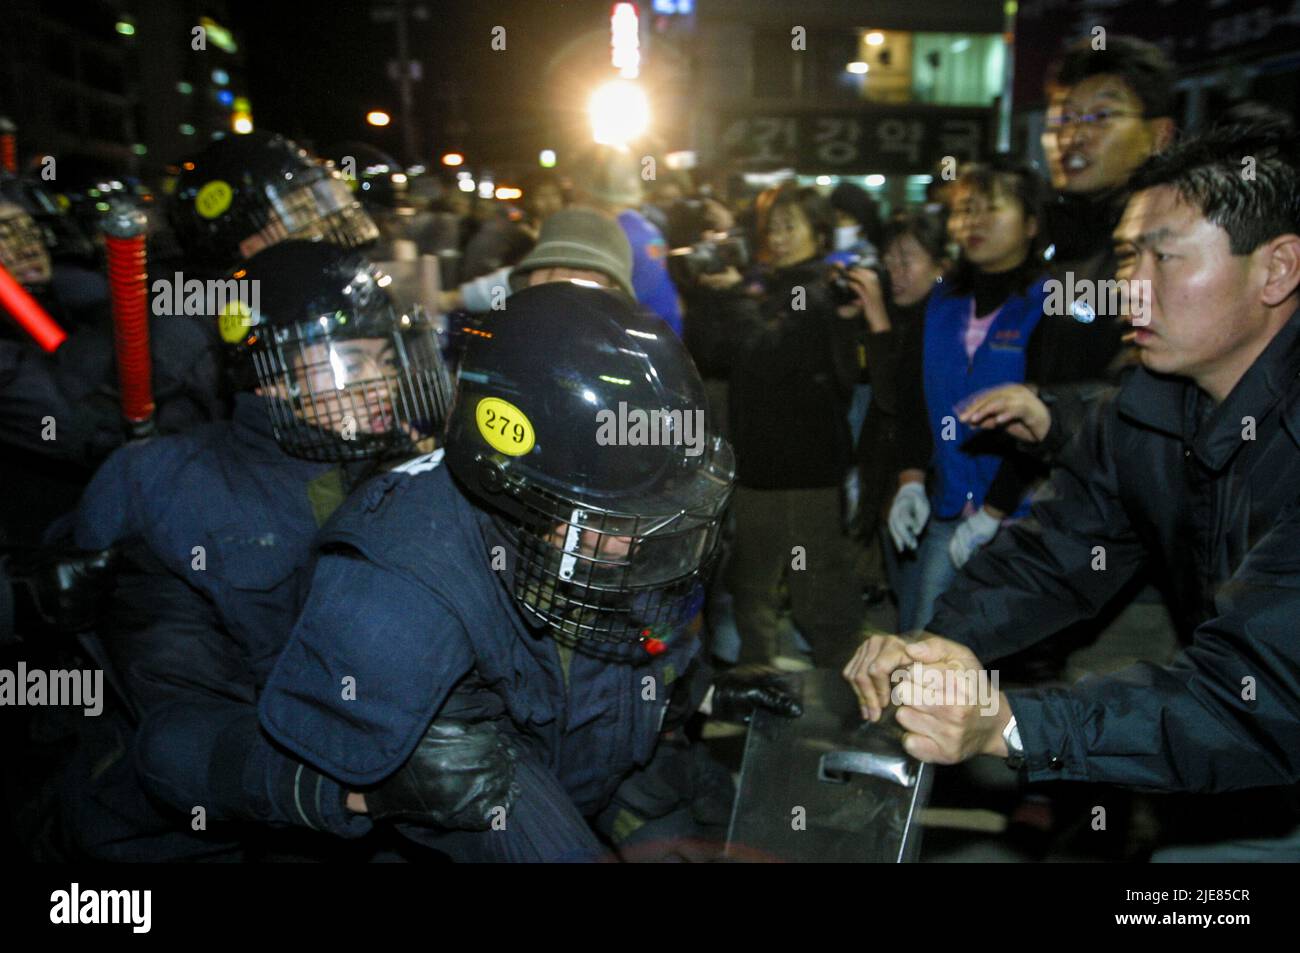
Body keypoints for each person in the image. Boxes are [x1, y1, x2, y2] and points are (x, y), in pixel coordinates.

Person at [844, 122, 1300, 856]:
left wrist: (1010, 725)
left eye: (1165, 257)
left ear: (1276, 270)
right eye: (1126, 255)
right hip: (1238, 758)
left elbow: (1262, 692)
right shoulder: (1147, 407)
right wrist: (933, 642)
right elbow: (1057, 552)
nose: (1129, 285)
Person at [258, 282, 797, 861]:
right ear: (513, 482)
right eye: (615, 519)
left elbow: (612, 700)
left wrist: (703, 694)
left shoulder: (573, 531)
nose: (629, 548)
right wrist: (366, 792)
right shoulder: (404, 589)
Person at [58, 242, 454, 860]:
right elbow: (179, 723)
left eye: (386, 359)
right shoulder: (168, 486)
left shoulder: (406, 472)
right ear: (269, 374)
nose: (380, 383)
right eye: (351, 358)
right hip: (202, 837)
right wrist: (351, 788)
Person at [697, 186, 864, 667]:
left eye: (791, 225)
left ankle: (854, 697)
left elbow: (766, 355)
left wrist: (731, 294)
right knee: (751, 590)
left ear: (819, 231)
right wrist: (712, 294)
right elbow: (714, 354)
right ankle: (757, 693)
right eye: (773, 226)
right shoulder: (771, 285)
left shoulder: (816, 291)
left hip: (803, 474)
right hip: (760, 470)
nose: (779, 236)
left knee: (819, 595)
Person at [888, 158, 1052, 633]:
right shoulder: (939, 301)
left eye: (990, 209)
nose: (972, 223)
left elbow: (1050, 417)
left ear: (1032, 223)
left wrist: (994, 513)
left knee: (1008, 655)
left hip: (1022, 518)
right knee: (922, 640)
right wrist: (911, 480)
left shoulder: (1049, 301)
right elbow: (912, 397)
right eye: (964, 210)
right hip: (948, 508)